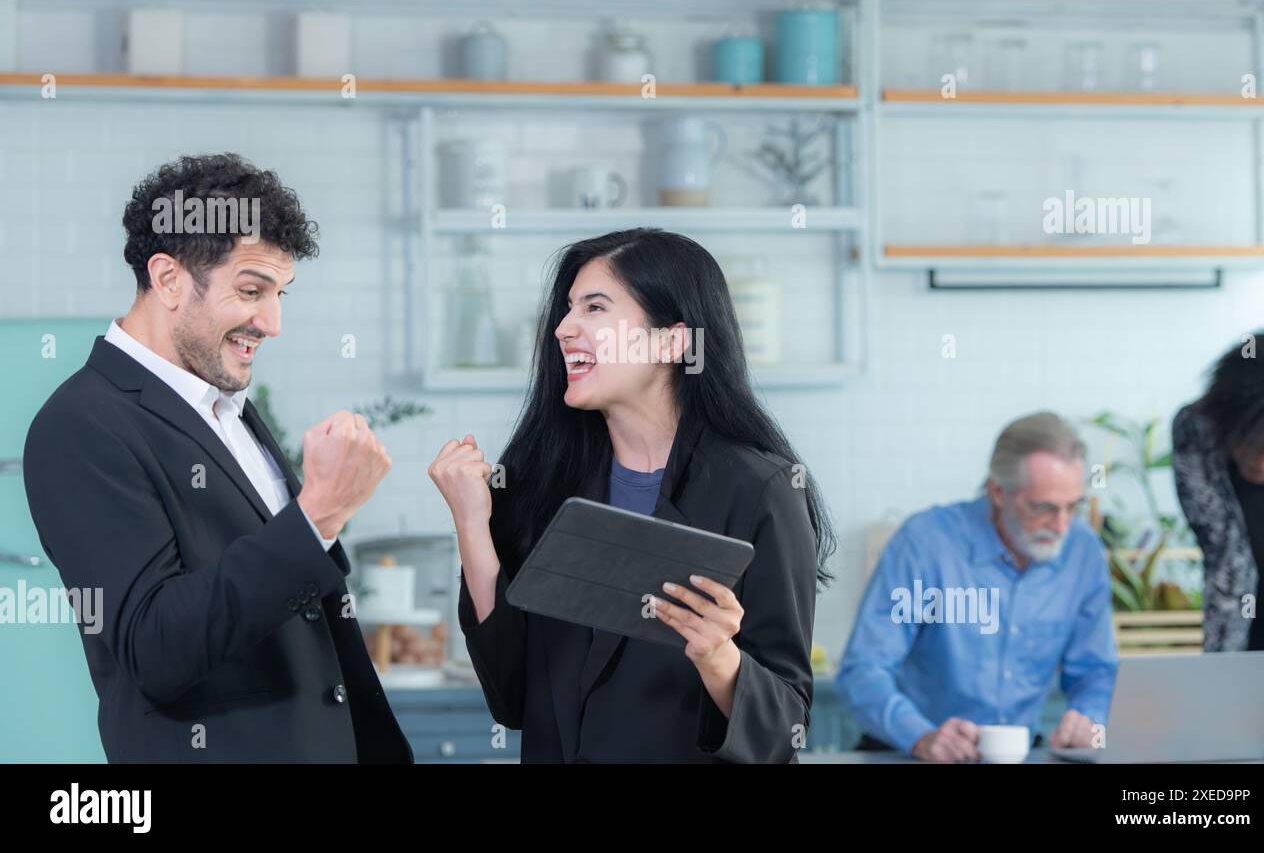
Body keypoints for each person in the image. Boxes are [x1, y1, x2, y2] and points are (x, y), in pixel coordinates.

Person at [23, 153, 411, 763]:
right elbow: (156, 650)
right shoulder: (81, 424)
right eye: (252, 290)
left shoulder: (225, 407)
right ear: (169, 279)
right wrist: (318, 516)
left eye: (280, 294)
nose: (273, 322)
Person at [427, 228, 831, 762]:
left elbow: (786, 728)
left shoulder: (761, 490)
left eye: (595, 308)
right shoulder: (539, 481)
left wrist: (718, 658)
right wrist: (472, 526)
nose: (563, 329)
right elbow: (511, 698)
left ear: (672, 341)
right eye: (567, 309)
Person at [835, 412, 1117, 762]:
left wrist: (1089, 721)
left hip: (1018, 754)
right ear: (998, 492)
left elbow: (1095, 671)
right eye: (1044, 508)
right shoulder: (924, 544)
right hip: (910, 752)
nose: (1061, 526)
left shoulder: (1083, 552)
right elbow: (863, 669)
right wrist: (920, 735)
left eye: (1071, 508)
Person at [1172, 330, 1264, 740]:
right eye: (1248, 445)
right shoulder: (1198, 431)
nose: (1261, 464)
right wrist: (1220, 689)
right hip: (1257, 662)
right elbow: (1226, 558)